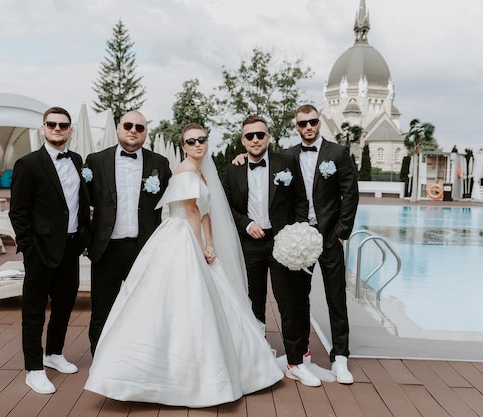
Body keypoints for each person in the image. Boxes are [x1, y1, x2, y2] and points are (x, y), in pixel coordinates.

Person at [84, 123, 283, 407]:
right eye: (191, 141)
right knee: (177, 304)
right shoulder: (186, 171)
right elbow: (190, 211)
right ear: (183, 146)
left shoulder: (202, 172)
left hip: (196, 236)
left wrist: (210, 244)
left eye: (202, 139)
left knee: (208, 302)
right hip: (181, 238)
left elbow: (205, 215)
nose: (197, 145)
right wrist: (199, 246)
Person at [223, 115, 320, 387]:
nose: (255, 139)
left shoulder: (286, 163)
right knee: (253, 303)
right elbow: (228, 206)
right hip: (250, 245)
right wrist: (246, 224)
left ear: (269, 137)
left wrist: (296, 232)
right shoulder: (232, 169)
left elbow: (302, 200)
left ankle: (296, 362)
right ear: (243, 141)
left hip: (281, 243)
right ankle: (257, 357)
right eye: (250, 136)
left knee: (288, 302)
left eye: (260, 135)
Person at [9, 106, 91, 394]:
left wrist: (83, 237)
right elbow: (18, 212)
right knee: (33, 311)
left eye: (63, 124)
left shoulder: (78, 160)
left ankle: (53, 353)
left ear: (70, 130)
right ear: (43, 129)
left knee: (64, 304)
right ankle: (33, 368)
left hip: (70, 248)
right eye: (52, 124)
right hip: (40, 250)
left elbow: (80, 202)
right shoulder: (28, 164)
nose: (58, 128)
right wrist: (29, 249)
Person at [85, 110, 171, 355]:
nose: (133, 130)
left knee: (145, 307)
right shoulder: (95, 161)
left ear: (145, 133)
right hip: (107, 249)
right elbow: (81, 202)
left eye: (140, 127)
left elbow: (175, 200)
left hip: (144, 249)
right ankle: (99, 358)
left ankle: (141, 356)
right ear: (118, 128)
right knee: (102, 308)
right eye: (128, 125)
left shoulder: (160, 164)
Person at [286, 104, 359, 384]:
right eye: (303, 123)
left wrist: (341, 233)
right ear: (296, 126)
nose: (308, 127)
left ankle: (340, 358)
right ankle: (302, 354)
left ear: (319, 123)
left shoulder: (337, 153)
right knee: (298, 297)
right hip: (301, 238)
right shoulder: (289, 155)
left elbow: (349, 194)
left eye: (313, 122)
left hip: (330, 237)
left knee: (336, 298)